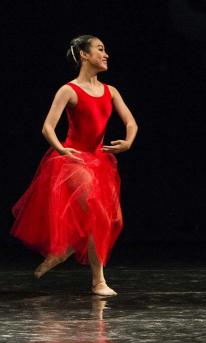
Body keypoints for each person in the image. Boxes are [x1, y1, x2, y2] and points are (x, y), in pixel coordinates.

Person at [11, 35, 138, 296]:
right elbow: (47, 126)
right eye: (100, 49)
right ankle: (98, 281)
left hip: (100, 161)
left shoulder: (110, 91)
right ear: (83, 54)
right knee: (97, 214)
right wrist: (60, 148)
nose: (106, 55)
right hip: (74, 159)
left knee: (114, 219)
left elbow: (131, 123)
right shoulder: (68, 90)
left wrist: (128, 142)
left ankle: (65, 248)